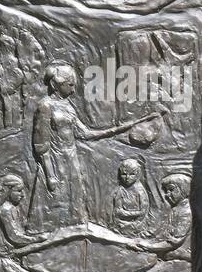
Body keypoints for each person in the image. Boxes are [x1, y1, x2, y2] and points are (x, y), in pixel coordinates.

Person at [27, 62, 151, 233]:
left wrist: (117, 130)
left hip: (70, 160)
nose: (72, 90)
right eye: (69, 85)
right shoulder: (45, 106)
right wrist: (50, 175)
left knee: (73, 206)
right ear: (55, 85)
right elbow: (41, 145)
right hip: (54, 164)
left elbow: (84, 133)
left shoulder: (68, 105)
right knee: (53, 207)